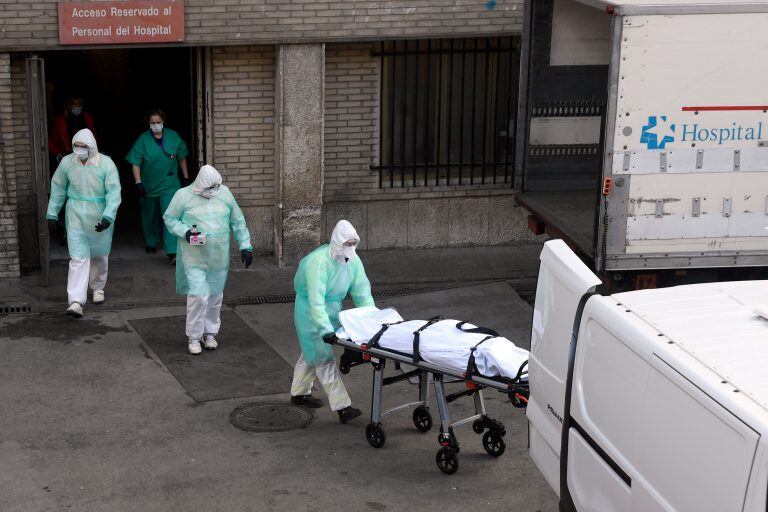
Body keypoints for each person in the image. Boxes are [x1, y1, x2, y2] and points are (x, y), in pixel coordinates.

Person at [289, 220, 374, 424]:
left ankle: (299, 393)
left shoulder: (353, 261)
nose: (351, 248)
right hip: (309, 311)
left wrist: (372, 319)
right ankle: (342, 407)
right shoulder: (318, 262)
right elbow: (316, 300)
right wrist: (325, 329)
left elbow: (362, 291)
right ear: (337, 242)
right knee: (324, 358)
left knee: (312, 353)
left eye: (354, 243)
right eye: (348, 243)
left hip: (333, 309)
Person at [163, 164, 253, 355]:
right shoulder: (183, 195)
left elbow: (237, 220)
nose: (213, 191)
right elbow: (170, 218)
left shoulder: (225, 193)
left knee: (214, 297)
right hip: (194, 257)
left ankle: (209, 333)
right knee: (198, 296)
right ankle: (194, 337)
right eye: (209, 188)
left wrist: (245, 245)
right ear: (200, 185)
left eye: (216, 187)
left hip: (219, 257)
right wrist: (185, 232)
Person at [46, 129, 121, 318]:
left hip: (99, 214)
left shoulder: (106, 164)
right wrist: (52, 214)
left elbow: (113, 192)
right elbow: (58, 188)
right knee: (78, 257)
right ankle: (76, 301)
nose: (79, 150)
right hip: (76, 215)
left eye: (84, 146)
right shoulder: (67, 163)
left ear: (92, 147)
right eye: (76, 146)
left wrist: (108, 217)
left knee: (100, 255)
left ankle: (97, 288)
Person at [126, 109, 191, 265]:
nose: (155, 125)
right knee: (149, 215)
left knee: (170, 216)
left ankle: (172, 252)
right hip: (148, 184)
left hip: (169, 184)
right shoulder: (143, 140)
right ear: (149, 124)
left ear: (163, 122)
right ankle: (151, 242)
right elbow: (135, 161)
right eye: (152, 123)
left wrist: (186, 177)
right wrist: (138, 182)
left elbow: (182, 157)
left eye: (158, 122)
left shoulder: (173, 136)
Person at [49, 97, 96, 165]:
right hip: (68, 159)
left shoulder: (87, 119)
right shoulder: (60, 122)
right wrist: (57, 154)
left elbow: (94, 137)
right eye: (74, 104)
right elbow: (51, 141)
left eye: (79, 104)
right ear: (68, 106)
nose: (77, 106)